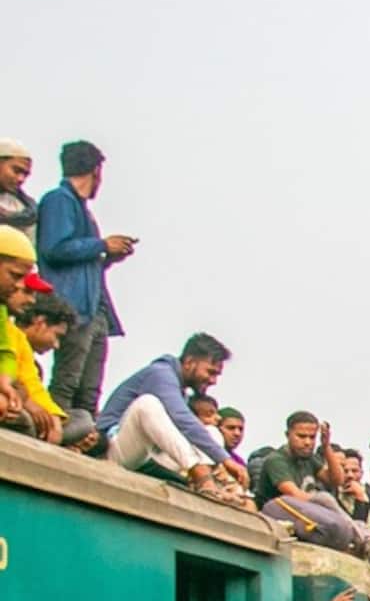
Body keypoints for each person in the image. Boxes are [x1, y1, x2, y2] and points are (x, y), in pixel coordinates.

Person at [36, 140, 132, 418]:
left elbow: (79, 257)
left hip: (94, 309)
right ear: (95, 171)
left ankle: (79, 437)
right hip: (72, 306)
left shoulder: (82, 210)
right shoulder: (59, 200)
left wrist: (107, 257)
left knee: (89, 391)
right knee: (68, 381)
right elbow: (54, 248)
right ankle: (54, 430)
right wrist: (102, 245)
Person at [97, 336, 245, 503]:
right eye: (210, 372)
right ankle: (200, 474)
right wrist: (225, 459)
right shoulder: (161, 374)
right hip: (115, 451)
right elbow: (182, 419)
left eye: (217, 375)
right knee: (147, 404)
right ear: (189, 362)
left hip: (151, 458)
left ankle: (212, 484)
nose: (213, 381)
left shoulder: (181, 390)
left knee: (211, 431)